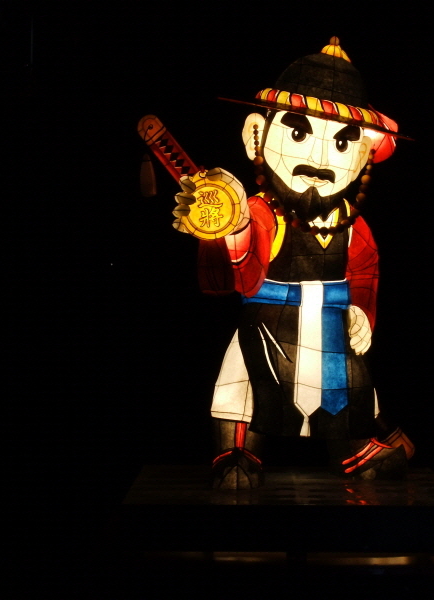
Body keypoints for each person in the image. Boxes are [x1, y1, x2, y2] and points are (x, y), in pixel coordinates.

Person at [174, 38, 414, 489]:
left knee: (346, 383)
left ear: (365, 153)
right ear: (256, 135)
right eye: (299, 134)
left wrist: (361, 313)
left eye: (342, 142)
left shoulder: (353, 226)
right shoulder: (261, 211)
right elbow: (241, 279)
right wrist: (230, 229)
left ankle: (354, 449)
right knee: (246, 387)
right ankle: (239, 452)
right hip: (267, 324)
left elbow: (366, 272)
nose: (319, 161)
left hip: (332, 327)